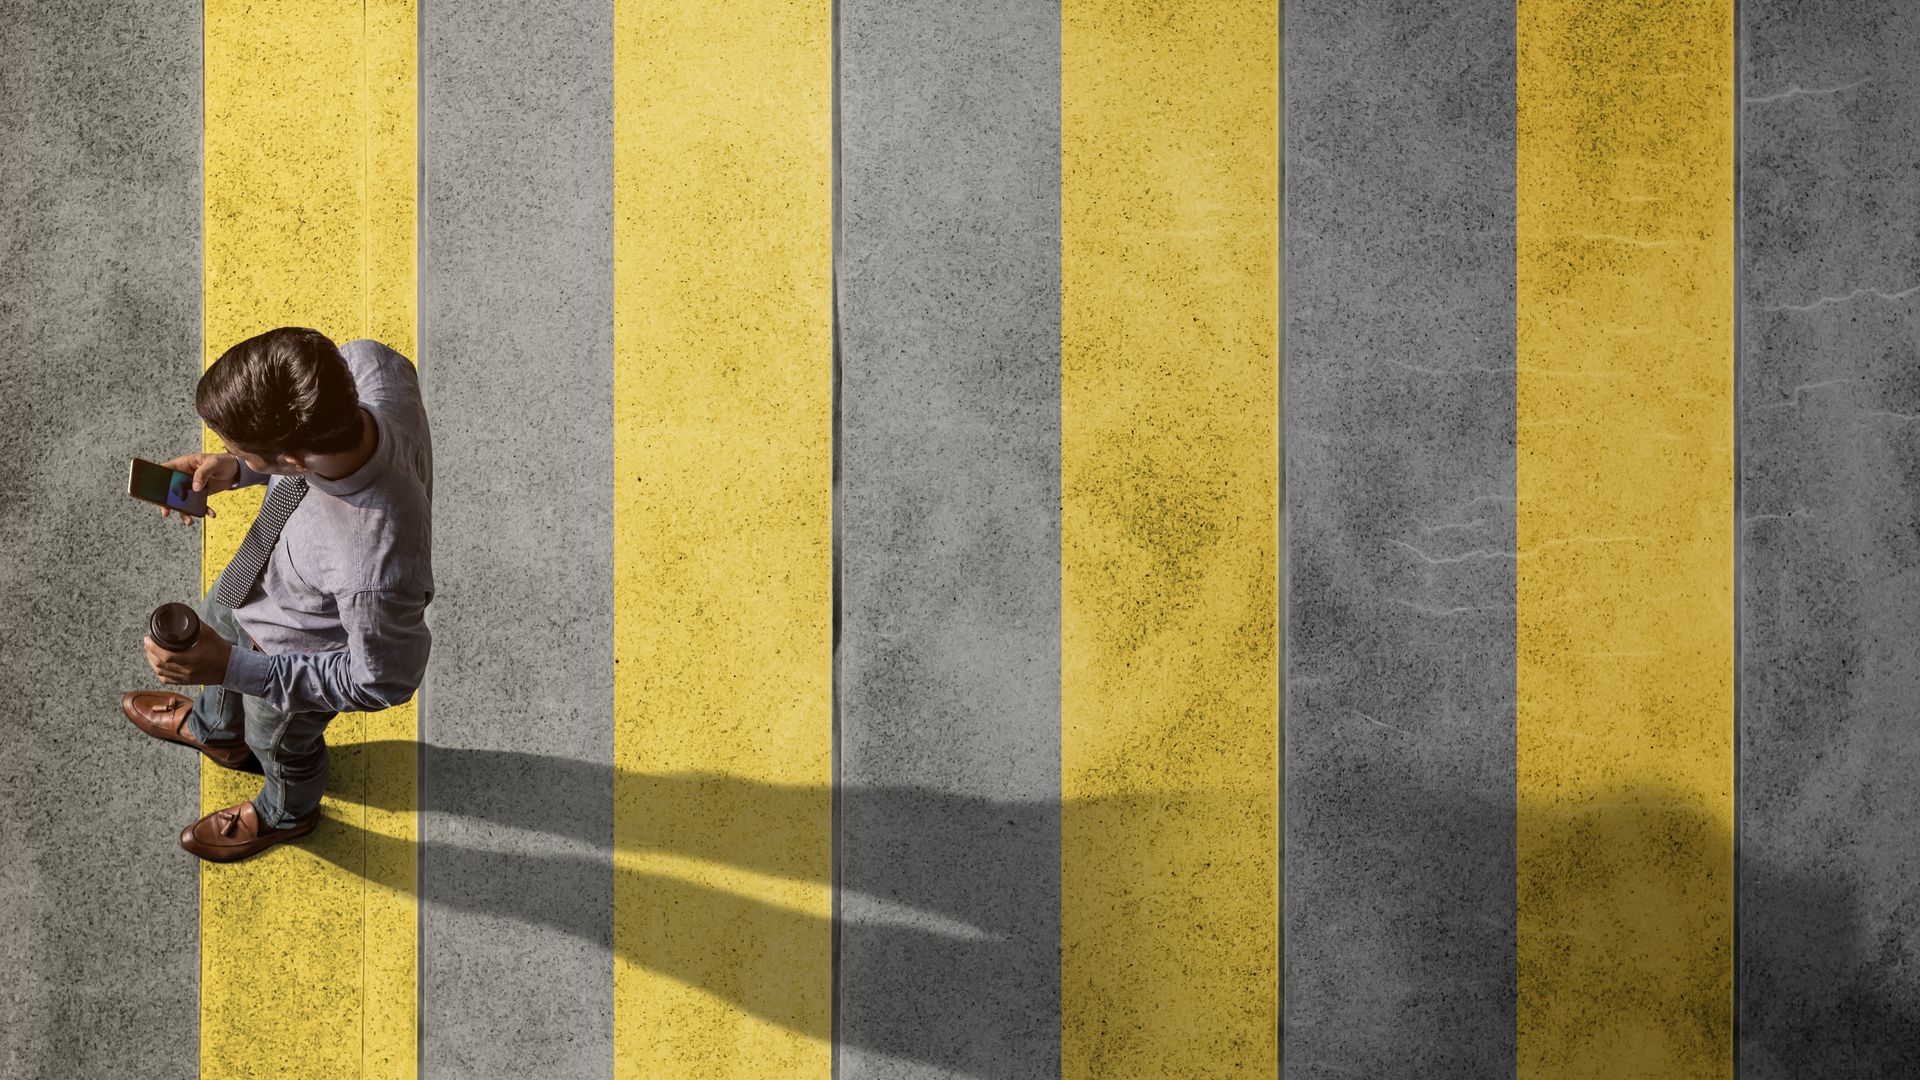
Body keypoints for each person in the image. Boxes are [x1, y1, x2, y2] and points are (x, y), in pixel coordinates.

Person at [122, 326, 434, 862]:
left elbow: (384, 682)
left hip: (292, 655)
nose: (222, 451)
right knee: (216, 619)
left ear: (292, 459)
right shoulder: (366, 365)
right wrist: (241, 469)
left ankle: (288, 812)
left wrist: (237, 670)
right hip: (255, 578)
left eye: (233, 447)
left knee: (279, 743)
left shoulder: (373, 568)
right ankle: (217, 730)